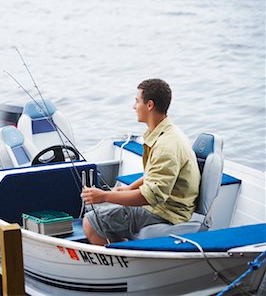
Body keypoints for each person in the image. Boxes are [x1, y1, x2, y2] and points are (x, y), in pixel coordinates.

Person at [81, 78, 200, 245]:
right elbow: (154, 174)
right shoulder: (166, 133)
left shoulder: (166, 145)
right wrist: (129, 188)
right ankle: (125, 250)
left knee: (91, 222)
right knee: (102, 208)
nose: (134, 106)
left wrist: (105, 196)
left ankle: (123, 265)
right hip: (165, 206)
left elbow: (150, 196)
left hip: (165, 213)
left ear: (149, 105)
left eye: (137, 101)